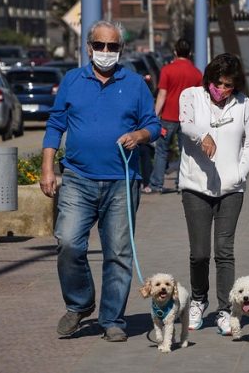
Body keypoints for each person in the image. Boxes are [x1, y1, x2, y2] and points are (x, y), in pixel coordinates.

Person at [39, 21, 161, 343]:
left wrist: (139, 134)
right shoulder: (72, 81)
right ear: (89, 47)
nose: (107, 52)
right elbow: (55, 125)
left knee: (118, 253)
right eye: (101, 46)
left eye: (113, 47)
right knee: (67, 242)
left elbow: (153, 124)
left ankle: (112, 319)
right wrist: (47, 168)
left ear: (120, 50)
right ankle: (80, 303)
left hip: (122, 180)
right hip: (78, 178)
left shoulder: (134, 84)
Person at [178, 53, 249, 336]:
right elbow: (185, 124)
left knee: (224, 251)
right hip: (195, 186)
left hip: (231, 189)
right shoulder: (191, 96)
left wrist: (240, 173)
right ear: (209, 79)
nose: (222, 90)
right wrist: (204, 136)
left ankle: (225, 309)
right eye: (218, 83)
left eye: (228, 86)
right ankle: (199, 300)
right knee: (200, 253)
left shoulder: (243, 103)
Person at [147, 38, 202, 194]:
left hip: (168, 117)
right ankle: (182, 183)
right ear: (190, 53)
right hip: (188, 118)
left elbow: (162, 95)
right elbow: (199, 98)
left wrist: (154, 115)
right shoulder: (196, 73)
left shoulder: (167, 70)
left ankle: (156, 184)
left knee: (161, 151)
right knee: (186, 152)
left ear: (175, 52)